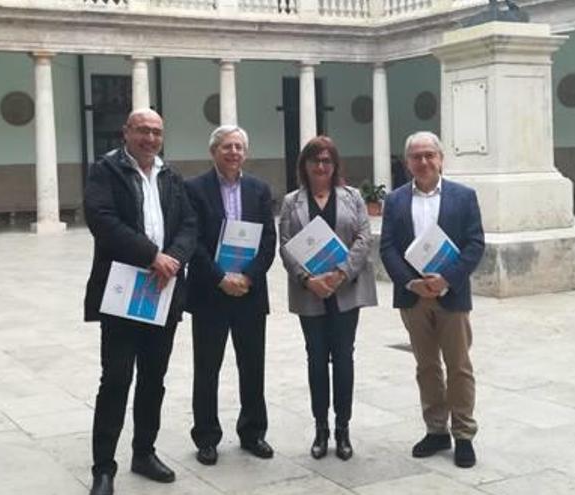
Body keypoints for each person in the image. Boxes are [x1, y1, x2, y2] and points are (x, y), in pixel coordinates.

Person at [83, 108, 197, 495]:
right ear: (126, 132)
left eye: (157, 132)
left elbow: (189, 224)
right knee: (115, 378)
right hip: (123, 290)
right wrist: (152, 255)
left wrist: (175, 258)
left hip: (162, 291)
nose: (150, 138)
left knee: (154, 378)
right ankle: (103, 468)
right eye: (143, 131)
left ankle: (144, 452)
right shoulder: (106, 170)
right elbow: (102, 220)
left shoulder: (171, 174)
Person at [379, 131, 485, 468]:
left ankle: (464, 434)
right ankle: (436, 429)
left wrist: (447, 279)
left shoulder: (463, 197)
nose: (423, 162)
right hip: (414, 298)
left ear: (441, 158)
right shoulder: (395, 200)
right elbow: (388, 247)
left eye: (429, 155)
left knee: (459, 366)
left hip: (451, 295)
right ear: (407, 161)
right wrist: (411, 283)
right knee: (426, 367)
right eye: (416, 156)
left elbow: (475, 244)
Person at [279, 136, 377, 460]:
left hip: (345, 291)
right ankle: (320, 428)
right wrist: (308, 280)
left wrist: (339, 274)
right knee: (316, 360)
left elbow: (364, 237)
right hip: (312, 294)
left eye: (327, 161)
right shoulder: (292, 201)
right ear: (304, 165)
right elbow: (285, 244)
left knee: (344, 359)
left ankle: (343, 429)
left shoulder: (352, 198)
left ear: (335, 165)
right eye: (315, 160)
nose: (321, 166)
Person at [185, 125, 277, 466]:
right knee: (207, 368)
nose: (234, 152)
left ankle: (253, 432)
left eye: (239, 146)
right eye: (227, 147)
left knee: (252, 366)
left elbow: (269, 240)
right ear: (214, 152)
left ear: (245, 153)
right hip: (211, 293)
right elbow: (191, 240)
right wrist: (221, 277)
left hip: (250, 294)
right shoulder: (193, 189)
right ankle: (206, 437)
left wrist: (248, 277)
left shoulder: (259, 189)